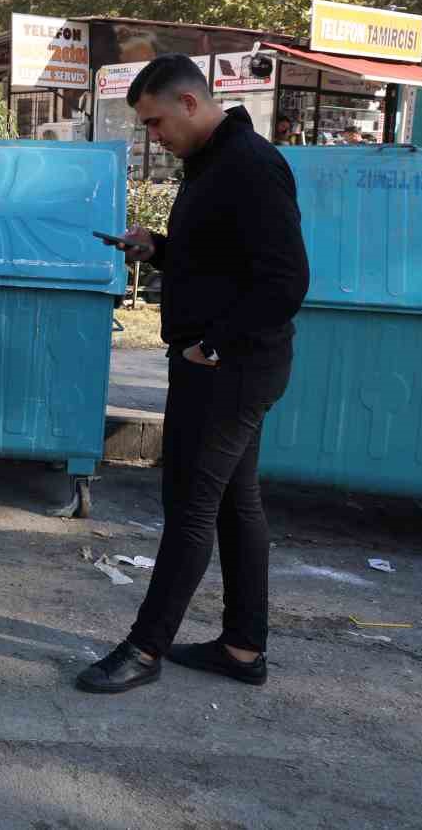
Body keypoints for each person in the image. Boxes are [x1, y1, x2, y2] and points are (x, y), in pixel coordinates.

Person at [77, 54, 309, 696]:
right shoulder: (213, 164)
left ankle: (144, 648)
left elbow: (287, 280)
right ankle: (242, 647)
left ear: (189, 102)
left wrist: (213, 344)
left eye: (155, 122)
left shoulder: (250, 166)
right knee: (235, 503)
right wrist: (158, 247)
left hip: (230, 368)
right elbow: (221, 259)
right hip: (227, 363)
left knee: (190, 506)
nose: (153, 136)